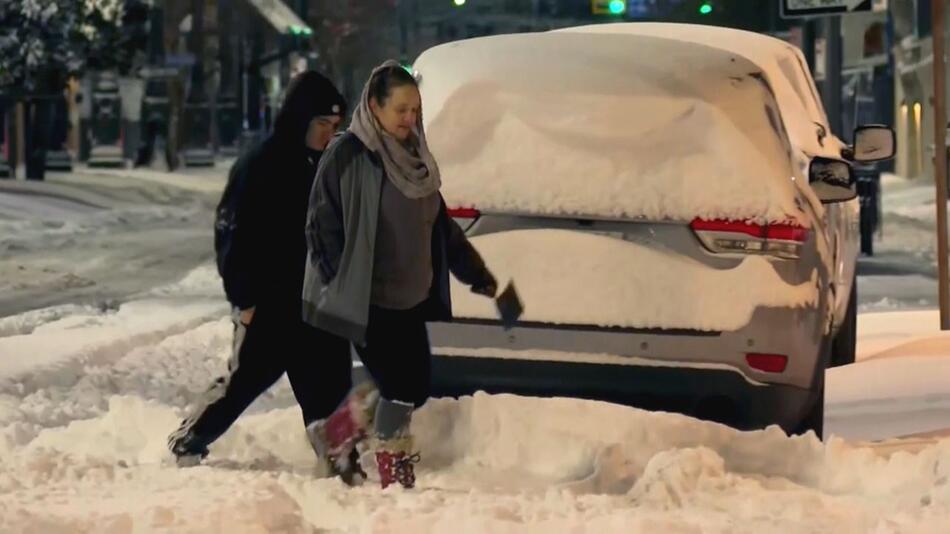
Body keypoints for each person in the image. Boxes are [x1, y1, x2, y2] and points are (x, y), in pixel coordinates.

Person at [303, 60, 498, 489]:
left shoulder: (417, 159)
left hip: (411, 294)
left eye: (415, 109)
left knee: (416, 384)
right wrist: (341, 279)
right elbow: (321, 224)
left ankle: (334, 432)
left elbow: (440, 227)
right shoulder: (349, 154)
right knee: (399, 382)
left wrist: (475, 272)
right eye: (401, 110)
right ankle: (392, 461)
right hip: (366, 297)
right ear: (375, 107)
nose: (411, 119)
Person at [167, 71, 352, 467]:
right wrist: (244, 298)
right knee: (244, 382)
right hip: (270, 303)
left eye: (334, 126)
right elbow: (231, 235)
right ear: (300, 118)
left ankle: (341, 458)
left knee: (330, 386)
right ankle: (191, 438)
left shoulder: (328, 167)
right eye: (322, 123)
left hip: (318, 301)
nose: (327, 133)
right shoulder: (261, 164)